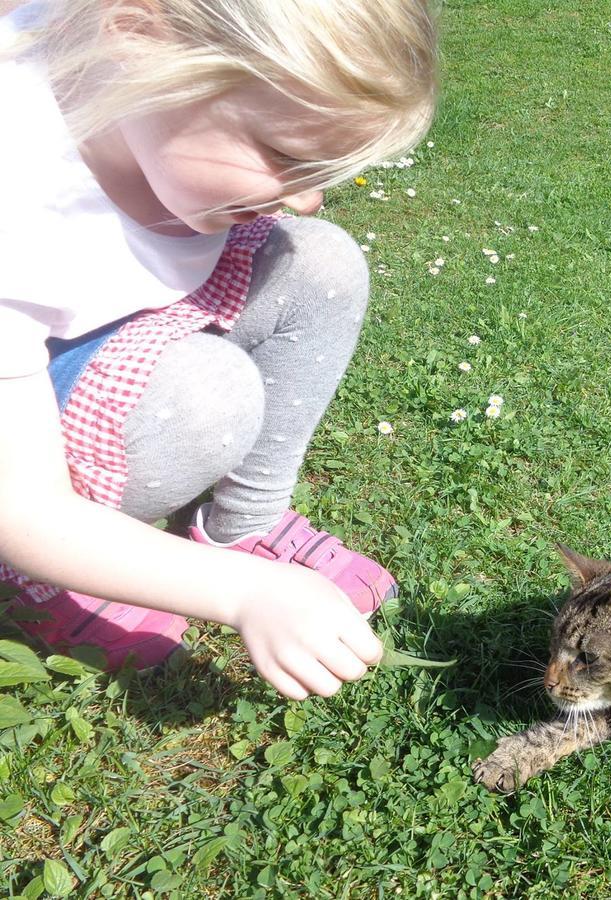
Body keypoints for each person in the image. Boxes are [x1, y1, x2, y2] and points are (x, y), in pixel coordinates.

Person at [0, 0, 438, 700]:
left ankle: (243, 524)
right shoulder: (18, 200)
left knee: (319, 260)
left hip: (91, 325)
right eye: (288, 158)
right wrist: (243, 595)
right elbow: (19, 508)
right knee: (203, 399)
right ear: (140, 38)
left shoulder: (136, 96)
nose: (308, 198)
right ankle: (37, 574)